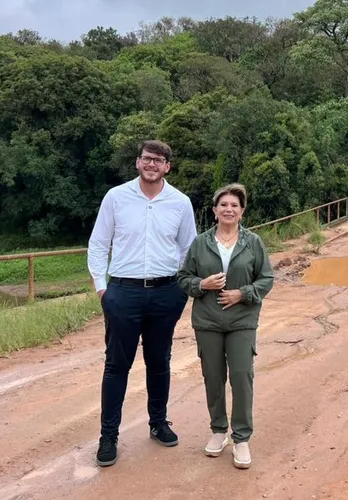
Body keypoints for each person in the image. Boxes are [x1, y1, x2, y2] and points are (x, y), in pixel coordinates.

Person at [86, 140, 198, 467]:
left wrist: (179, 289)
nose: (152, 164)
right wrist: (102, 289)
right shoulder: (116, 198)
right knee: (117, 365)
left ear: (167, 167)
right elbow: (98, 245)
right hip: (123, 292)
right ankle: (108, 436)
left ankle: (158, 422)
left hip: (166, 293)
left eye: (158, 160)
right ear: (137, 163)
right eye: (146, 158)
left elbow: (188, 249)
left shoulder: (179, 203)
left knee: (159, 361)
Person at [178, 183, 274, 470]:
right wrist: (201, 284)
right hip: (207, 320)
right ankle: (218, 431)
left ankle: (241, 438)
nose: (228, 209)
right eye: (223, 205)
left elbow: (266, 278)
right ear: (214, 211)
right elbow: (183, 277)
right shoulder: (200, 243)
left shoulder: (253, 242)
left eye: (234, 205)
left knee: (242, 376)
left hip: (242, 321)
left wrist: (243, 293)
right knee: (213, 376)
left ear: (242, 212)